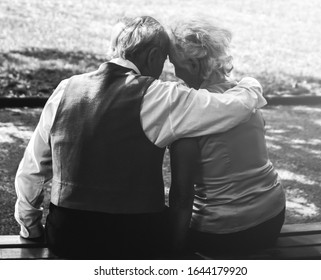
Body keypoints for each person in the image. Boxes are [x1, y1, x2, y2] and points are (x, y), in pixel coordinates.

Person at [14, 15, 266, 259]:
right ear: (153, 56)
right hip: (137, 241)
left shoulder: (65, 89)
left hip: (67, 238)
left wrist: (32, 227)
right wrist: (252, 86)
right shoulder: (159, 96)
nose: (167, 70)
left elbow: (32, 170)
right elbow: (230, 108)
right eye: (164, 60)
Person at [168, 18, 286, 258]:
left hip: (224, 231)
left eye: (175, 64)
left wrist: (174, 251)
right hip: (272, 215)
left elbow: (182, 196)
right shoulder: (245, 97)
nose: (174, 71)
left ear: (192, 64)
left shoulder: (190, 114)